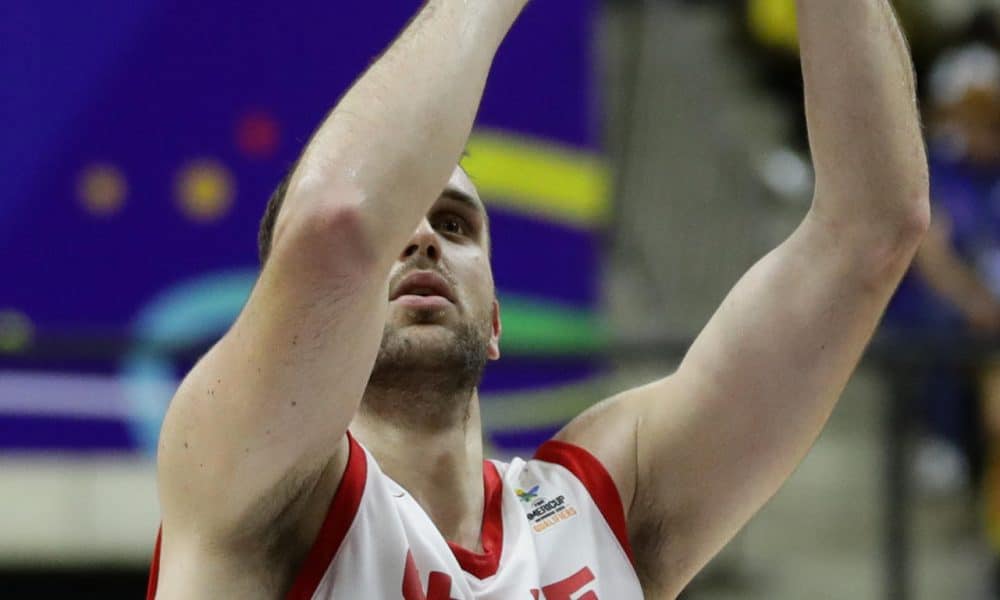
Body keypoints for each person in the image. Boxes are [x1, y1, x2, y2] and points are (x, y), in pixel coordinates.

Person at [146, 2, 928, 598]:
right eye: (399, 228)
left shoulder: (603, 500)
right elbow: (336, 224)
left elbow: (871, 232)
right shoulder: (243, 474)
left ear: (495, 321)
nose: (421, 242)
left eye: (455, 225)